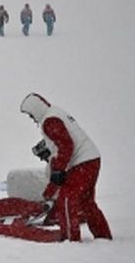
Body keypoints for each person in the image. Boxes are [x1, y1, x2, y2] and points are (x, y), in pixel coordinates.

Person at [20, 93, 112, 242]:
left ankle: (70, 240)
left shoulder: (50, 121)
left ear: (36, 110)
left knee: (66, 202)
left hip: (82, 163)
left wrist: (58, 170)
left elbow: (66, 146)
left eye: (31, 115)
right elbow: (62, 143)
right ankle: (103, 236)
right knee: (87, 202)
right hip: (91, 159)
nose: (32, 119)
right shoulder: (55, 113)